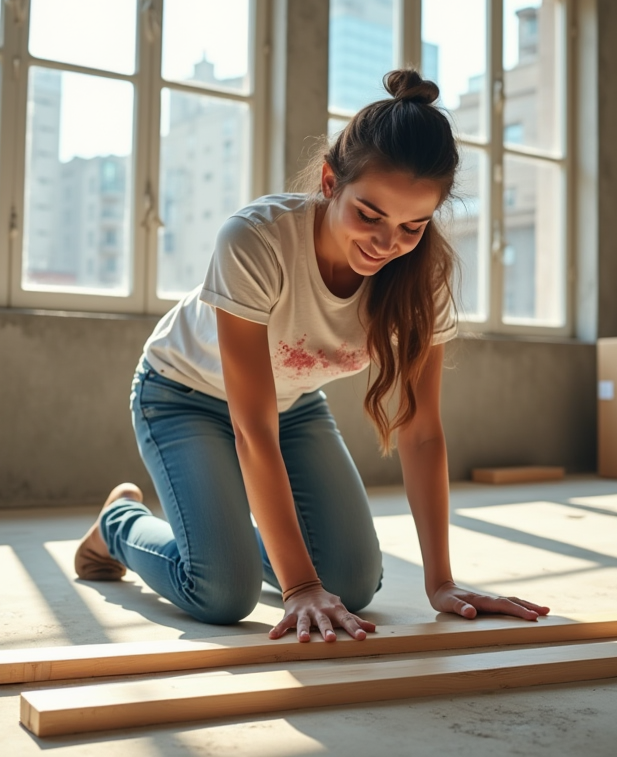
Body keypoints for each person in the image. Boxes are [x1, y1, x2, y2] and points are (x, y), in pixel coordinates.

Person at [75, 69, 550, 642]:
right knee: (223, 593)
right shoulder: (256, 239)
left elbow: (422, 431)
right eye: (369, 214)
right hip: (182, 395)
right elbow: (252, 430)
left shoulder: (423, 277)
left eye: (411, 226)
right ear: (330, 181)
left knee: (352, 583)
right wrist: (299, 587)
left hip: (292, 404)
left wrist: (441, 581)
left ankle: (224, 542)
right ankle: (118, 523)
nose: (385, 244)